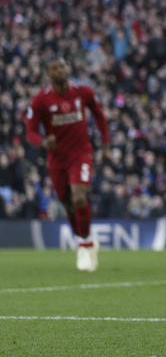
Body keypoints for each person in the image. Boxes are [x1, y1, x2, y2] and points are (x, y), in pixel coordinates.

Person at [24, 58, 109, 271]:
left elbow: (100, 116)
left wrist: (106, 145)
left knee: (79, 196)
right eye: (54, 67)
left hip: (81, 154)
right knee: (67, 203)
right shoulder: (40, 101)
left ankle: (85, 245)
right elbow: (30, 132)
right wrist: (43, 142)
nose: (60, 70)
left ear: (68, 68)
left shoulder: (84, 92)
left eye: (62, 66)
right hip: (57, 159)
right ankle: (83, 241)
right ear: (48, 73)